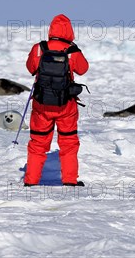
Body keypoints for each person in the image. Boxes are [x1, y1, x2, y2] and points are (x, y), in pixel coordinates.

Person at [24, 14, 89, 187]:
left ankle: (31, 181)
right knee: (68, 142)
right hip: (65, 105)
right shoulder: (72, 50)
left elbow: (30, 67)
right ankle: (69, 180)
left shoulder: (39, 48)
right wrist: (74, 50)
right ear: (69, 31)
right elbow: (83, 69)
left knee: (37, 143)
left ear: (51, 30)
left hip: (41, 104)